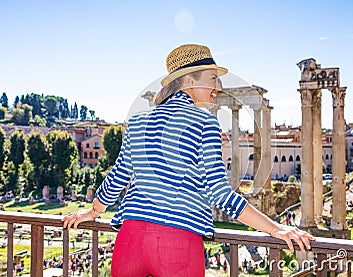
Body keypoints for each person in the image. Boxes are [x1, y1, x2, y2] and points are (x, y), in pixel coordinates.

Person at [62, 43, 314, 277]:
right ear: (190, 81)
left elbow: (118, 176)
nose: (219, 87)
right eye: (213, 79)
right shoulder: (205, 122)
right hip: (176, 244)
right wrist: (275, 229)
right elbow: (218, 192)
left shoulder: (138, 121)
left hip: (130, 241)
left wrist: (94, 211)